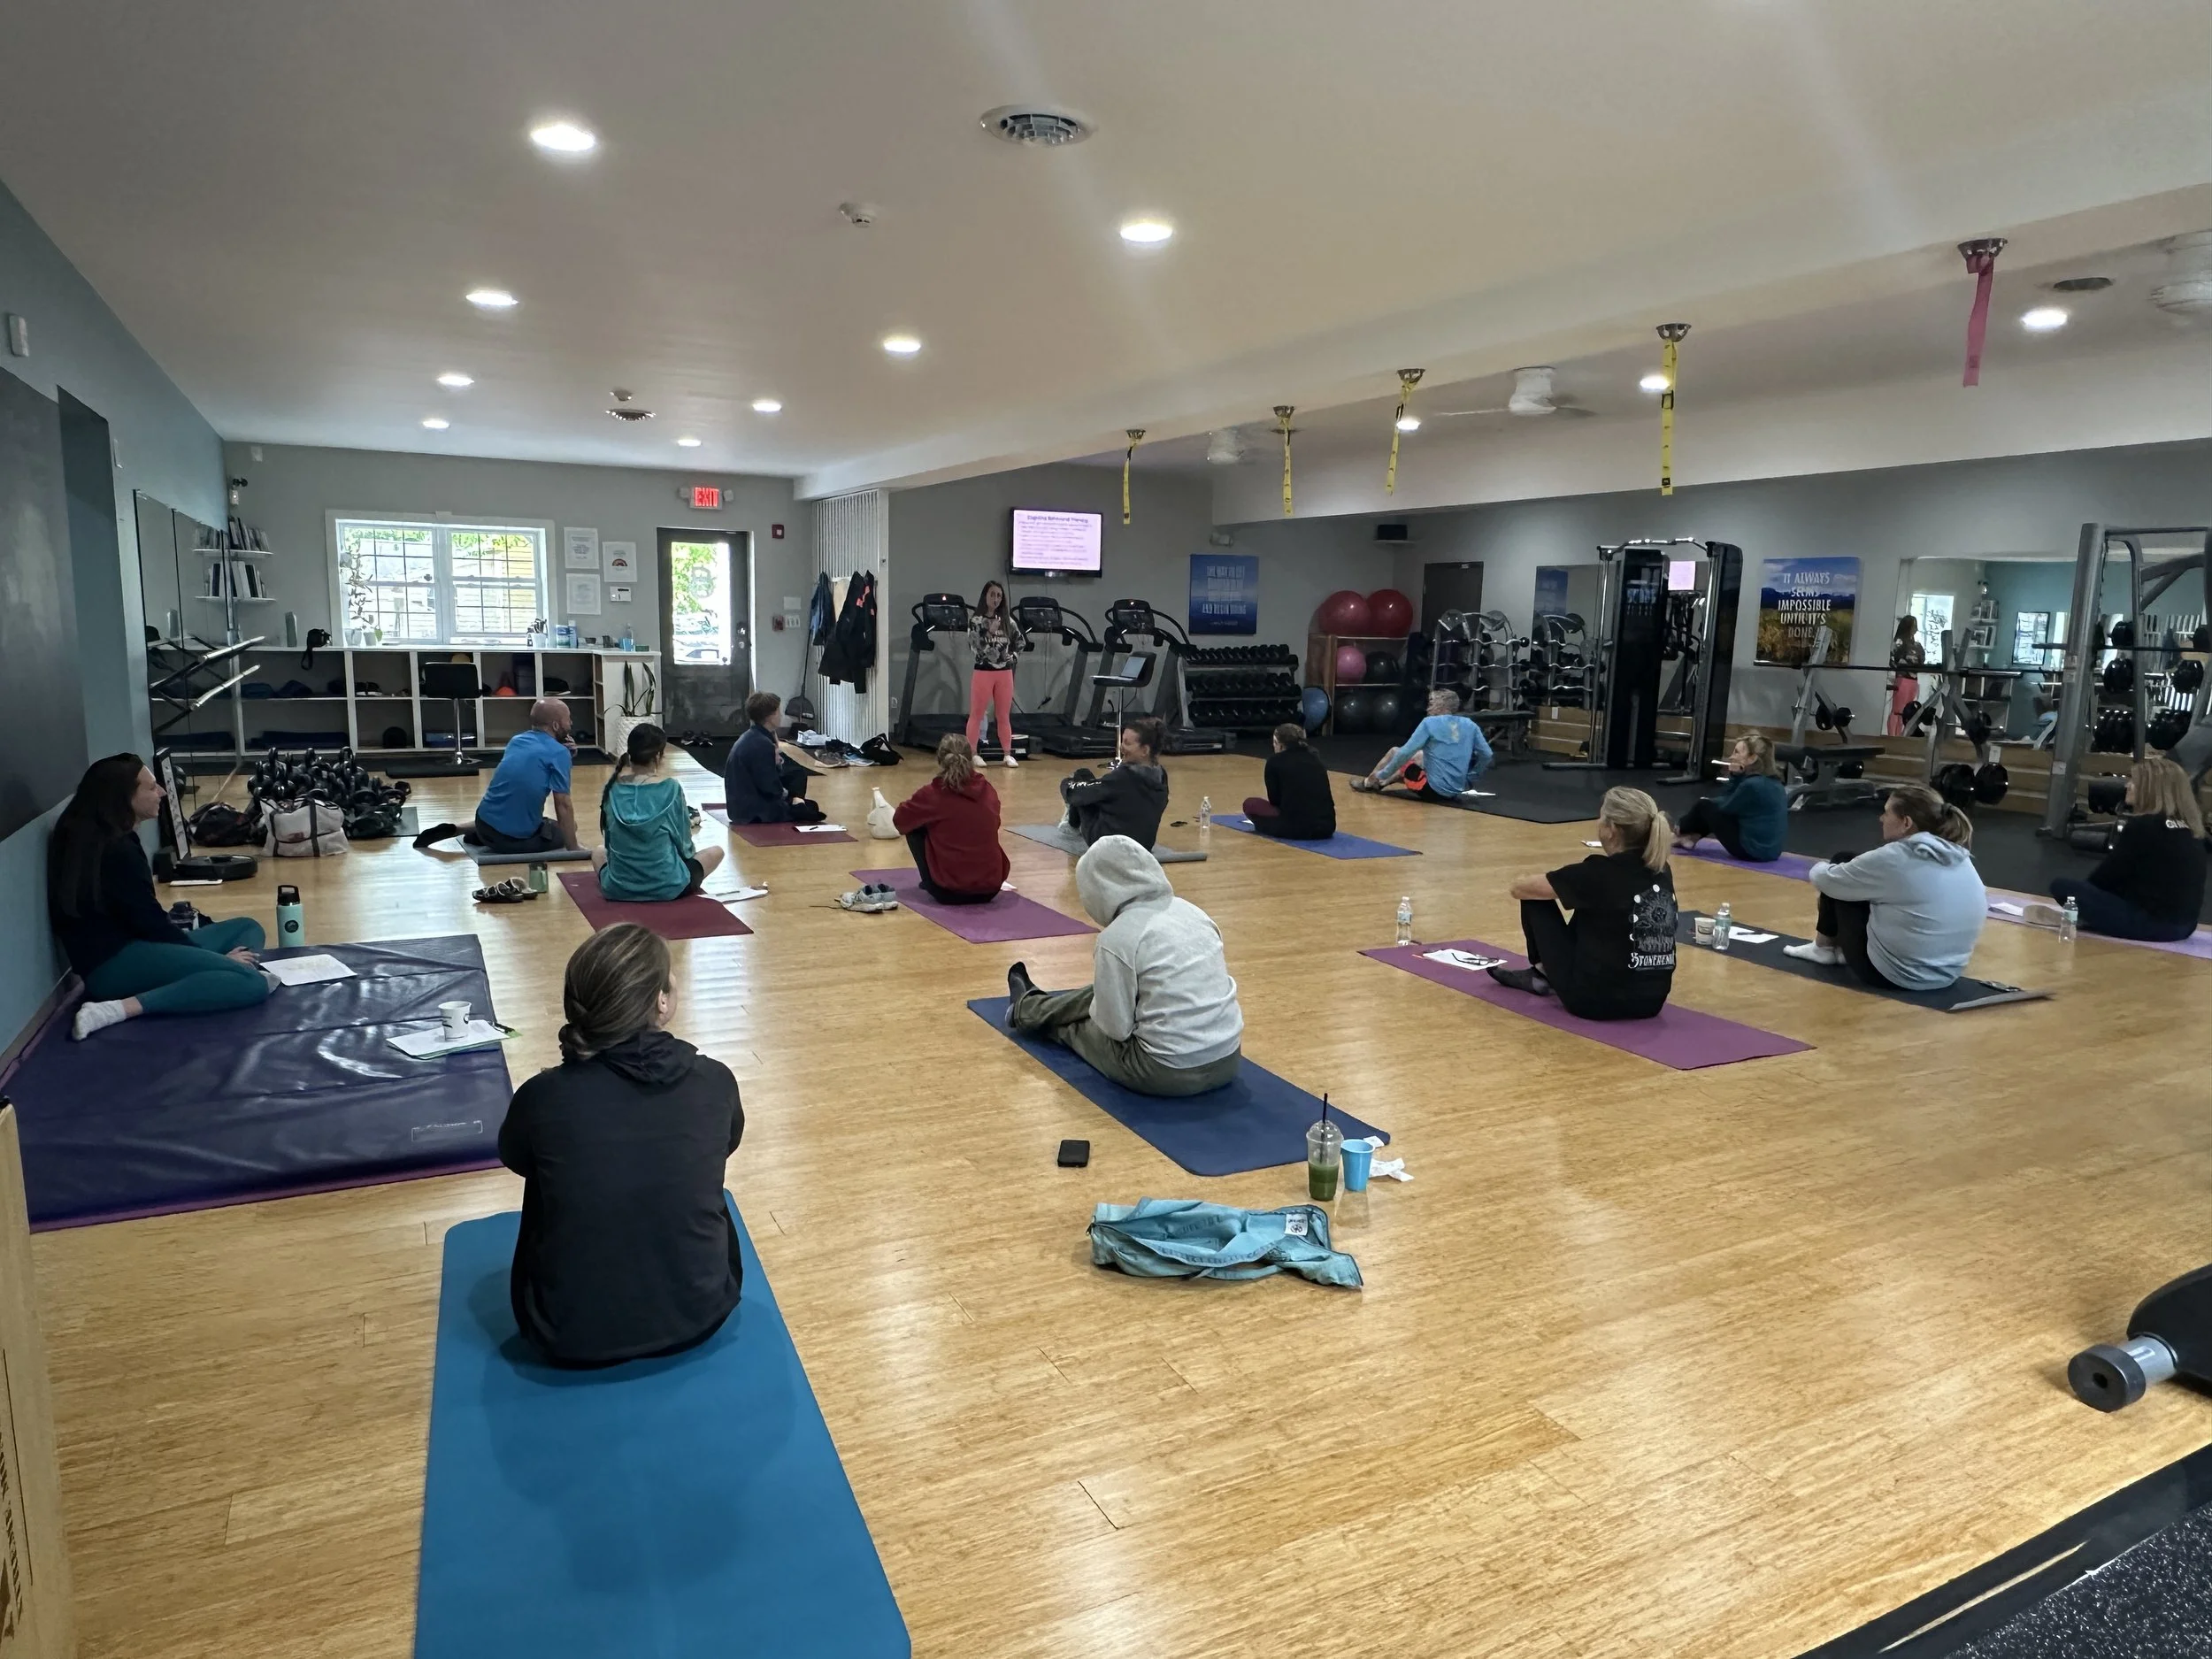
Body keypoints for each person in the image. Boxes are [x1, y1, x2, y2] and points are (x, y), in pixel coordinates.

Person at [498, 924, 746, 1368]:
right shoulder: (715, 1081)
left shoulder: (542, 1096)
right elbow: (725, 1144)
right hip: (702, 1314)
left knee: (552, 1172)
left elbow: (516, 1158)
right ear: (661, 1001)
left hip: (565, 1334)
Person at [49, 754, 269, 1040]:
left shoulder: (111, 836)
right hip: (113, 967)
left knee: (249, 927)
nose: (162, 792)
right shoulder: (115, 850)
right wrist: (211, 958)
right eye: (152, 788)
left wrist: (209, 957)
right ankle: (117, 1009)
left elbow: (146, 922)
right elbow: (151, 924)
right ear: (124, 797)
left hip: (137, 946)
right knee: (252, 983)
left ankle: (215, 974)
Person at [1006, 834, 1242, 1095]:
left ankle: (1028, 1013)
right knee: (1105, 991)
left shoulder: (1117, 938)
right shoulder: (1195, 913)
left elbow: (1115, 1029)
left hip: (1163, 1072)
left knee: (1076, 1027)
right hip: (1228, 1059)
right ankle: (1030, 1006)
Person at [1488, 787, 1677, 1021]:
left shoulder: (1597, 873)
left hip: (1594, 1001)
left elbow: (1520, 888)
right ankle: (1544, 973)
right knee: (1597, 906)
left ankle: (1541, 972)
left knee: (1534, 895)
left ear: (1612, 830)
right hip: (1652, 1001)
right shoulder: (1662, 870)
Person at [1785, 784, 1985, 991]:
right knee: (1865, 881)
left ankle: (1823, 948)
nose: (1881, 818)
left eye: (1886, 812)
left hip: (1892, 976)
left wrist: (1821, 867)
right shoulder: (1961, 857)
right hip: (1947, 975)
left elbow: (1825, 880)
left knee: (1842, 864)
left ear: (1906, 823)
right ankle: (1836, 949)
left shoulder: (1895, 857)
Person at [2029, 757, 2206, 941]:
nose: (2127, 786)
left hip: (2157, 926)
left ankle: (2088, 919)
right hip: (2186, 926)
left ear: (2150, 790)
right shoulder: (2190, 827)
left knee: (2063, 887)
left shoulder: (2144, 825)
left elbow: (2105, 878)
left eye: (2134, 782)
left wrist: (2088, 903)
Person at [414, 697, 579, 853]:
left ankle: (467, 829)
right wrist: (573, 848)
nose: (571, 723)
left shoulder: (517, 740)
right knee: (566, 829)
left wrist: (563, 753)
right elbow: (563, 804)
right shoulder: (559, 753)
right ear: (556, 726)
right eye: (568, 719)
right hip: (509, 840)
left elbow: (535, 763)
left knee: (526, 815)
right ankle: (486, 837)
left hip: (483, 821)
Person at [592, 722, 726, 902]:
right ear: (657, 757)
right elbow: (685, 847)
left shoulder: (612, 789)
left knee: (598, 852)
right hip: (667, 887)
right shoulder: (671, 789)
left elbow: (609, 844)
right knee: (716, 852)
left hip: (618, 888)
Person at [892, 734, 1008, 904]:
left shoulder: (931, 794)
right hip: (991, 889)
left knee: (916, 830)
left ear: (940, 759)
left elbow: (900, 821)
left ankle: (930, 880)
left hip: (949, 891)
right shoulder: (988, 790)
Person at [1351, 688, 1492, 800]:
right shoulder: (1470, 724)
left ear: (1441, 706)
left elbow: (1405, 753)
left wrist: (1382, 774)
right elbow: (1487, 754)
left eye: (1431, 705)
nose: (1427, 709)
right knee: (1401, 752)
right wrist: (1472, 776)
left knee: (1402, 760)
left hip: (1433, 791)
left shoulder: (1429, 723)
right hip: (1455, 791)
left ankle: (1372, 782)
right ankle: (1373, 783)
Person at [1673, 733, 1788, 862]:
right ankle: (1690, 837)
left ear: (1752, 758)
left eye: (1737, 752)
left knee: (1704, 805)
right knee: (1710, 806)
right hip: (1772, 852)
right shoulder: (1775, 783)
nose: (1731, 756)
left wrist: (1735, 776)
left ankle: (1681, 829)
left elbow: (1725, 806)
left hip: (1751, 852)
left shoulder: (1751, 785)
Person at [1060, 716, 1170, 849]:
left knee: (1081, 778)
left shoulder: (1123, 777)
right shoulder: (1162, 776)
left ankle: (1071, 825)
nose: (1122, 747)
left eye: (1127, 743)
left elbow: (1077, 793)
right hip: (1144, 846)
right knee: (1103, 794)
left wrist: (1066, 784)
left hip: (1108, 844)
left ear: (1145, 751)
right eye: (1122, 741)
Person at [722, 691, 824, 825]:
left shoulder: (753, 736)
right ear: (770, 716)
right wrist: (791, 799)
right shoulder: (761, 743)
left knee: (797, 777)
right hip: (752, 811)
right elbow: (770, 786)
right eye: (778, 712)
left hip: (741, 806)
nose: (780, 715)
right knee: (810, 808)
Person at [966, 580, 1027, 766]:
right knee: (977, 713)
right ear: (985, 596)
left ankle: (1007, 753)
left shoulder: (1008, 622)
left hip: (1004, 673)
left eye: (999, 596)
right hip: (984, 671)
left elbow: (1021, 642)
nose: (995, 599)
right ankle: (973, 752)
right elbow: (974, 646)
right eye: (992, 595)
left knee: (1003, 715)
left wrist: (1013, 656)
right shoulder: (976, 621)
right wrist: (988, 632)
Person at [1242, 723, 1336, 840]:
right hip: (1327, 827)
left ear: (1279, 744)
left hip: (1296, 830)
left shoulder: (1274, 761)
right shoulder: (1315, 759)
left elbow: (1275, 800)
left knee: (1250, 804)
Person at [1888, 615, 1925, 736]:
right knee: (1898, 711)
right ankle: (1893, 736)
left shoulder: (1918, 645)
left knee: (1908, 711)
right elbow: (1894, 659)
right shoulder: (1899, 642)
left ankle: (1902, 735)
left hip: (1913, 680)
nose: (1916, 629)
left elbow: (1921, 660)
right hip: (1902, 678)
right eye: (1914, 626)